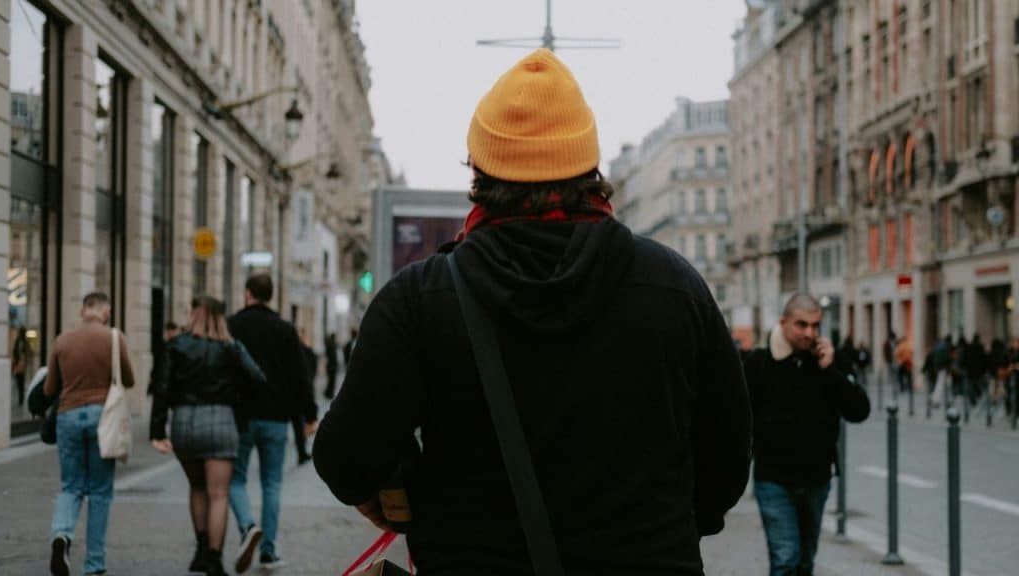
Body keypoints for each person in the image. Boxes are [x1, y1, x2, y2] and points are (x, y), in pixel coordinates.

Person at [313, 48, 752, 574]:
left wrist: (407, 484)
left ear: (480, 168)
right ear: (588, 164)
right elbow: (728, 459)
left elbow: (345, 457)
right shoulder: (675, 286)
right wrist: (661, 530)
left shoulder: (420, 298)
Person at [743, 293, 871, 576]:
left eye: (815, 326)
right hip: (773, 479)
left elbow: (859, 410)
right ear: (783, 322)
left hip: (816, 479)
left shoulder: (828, 362)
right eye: (801, 325)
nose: (809, 333)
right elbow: (740, 417)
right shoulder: (759, 363)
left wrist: (831, 371)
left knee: (804, 562)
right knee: (785, 558)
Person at [150, 297, 266, 576]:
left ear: (193, 314)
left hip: (184, 422)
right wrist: (238, 400)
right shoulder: (230, 347)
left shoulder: (176, 345)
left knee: (197, 488)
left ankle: (201, 551)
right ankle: (214, 559)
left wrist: (157, 430)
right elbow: (257, 379)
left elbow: (162, 388)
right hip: (220, 420)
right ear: (220, 318)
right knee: (218, 494)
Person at [227, 274, 317, 573]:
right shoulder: (284, 329)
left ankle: (247, 526)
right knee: (272, 484)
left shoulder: (233, 325)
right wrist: (310, 414)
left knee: (235, 479)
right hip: (277, 417)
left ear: (247, 293)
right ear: (270, 295)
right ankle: (268, 551)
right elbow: (300, 375)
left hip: (239, 417)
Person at [44, 292, 136, 576]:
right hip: (102, 418)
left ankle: (61, 535)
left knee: (71, 486)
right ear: (104, 311)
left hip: (68, 416)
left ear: (83, 309)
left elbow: (49, 389)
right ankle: (95, 563)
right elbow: (129, 379)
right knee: (99, 491)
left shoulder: (62, 340)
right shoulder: (113, 338)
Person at [293, 328, 318, 465]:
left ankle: (301, 448)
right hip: (302, 391)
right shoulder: (306, 352)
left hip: (299, 392)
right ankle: (302, 449)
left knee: (298, 421)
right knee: (299, 420)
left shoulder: (301, 352)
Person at [12, 326, 30, 407]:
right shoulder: (23, 341)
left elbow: (19, 353)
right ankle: (21, 399)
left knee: (20, 382)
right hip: (20, 365)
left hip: (20, 365)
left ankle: (21, 399)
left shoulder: (21, 341)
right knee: (20, 382)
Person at [323, 333, 339, 399]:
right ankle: (329, 394)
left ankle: (328, 393)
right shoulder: (332, 346)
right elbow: (334, 357)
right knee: (331, 381)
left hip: (330, 365)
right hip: (332, 366)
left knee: (330, 381)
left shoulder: (329, 346)